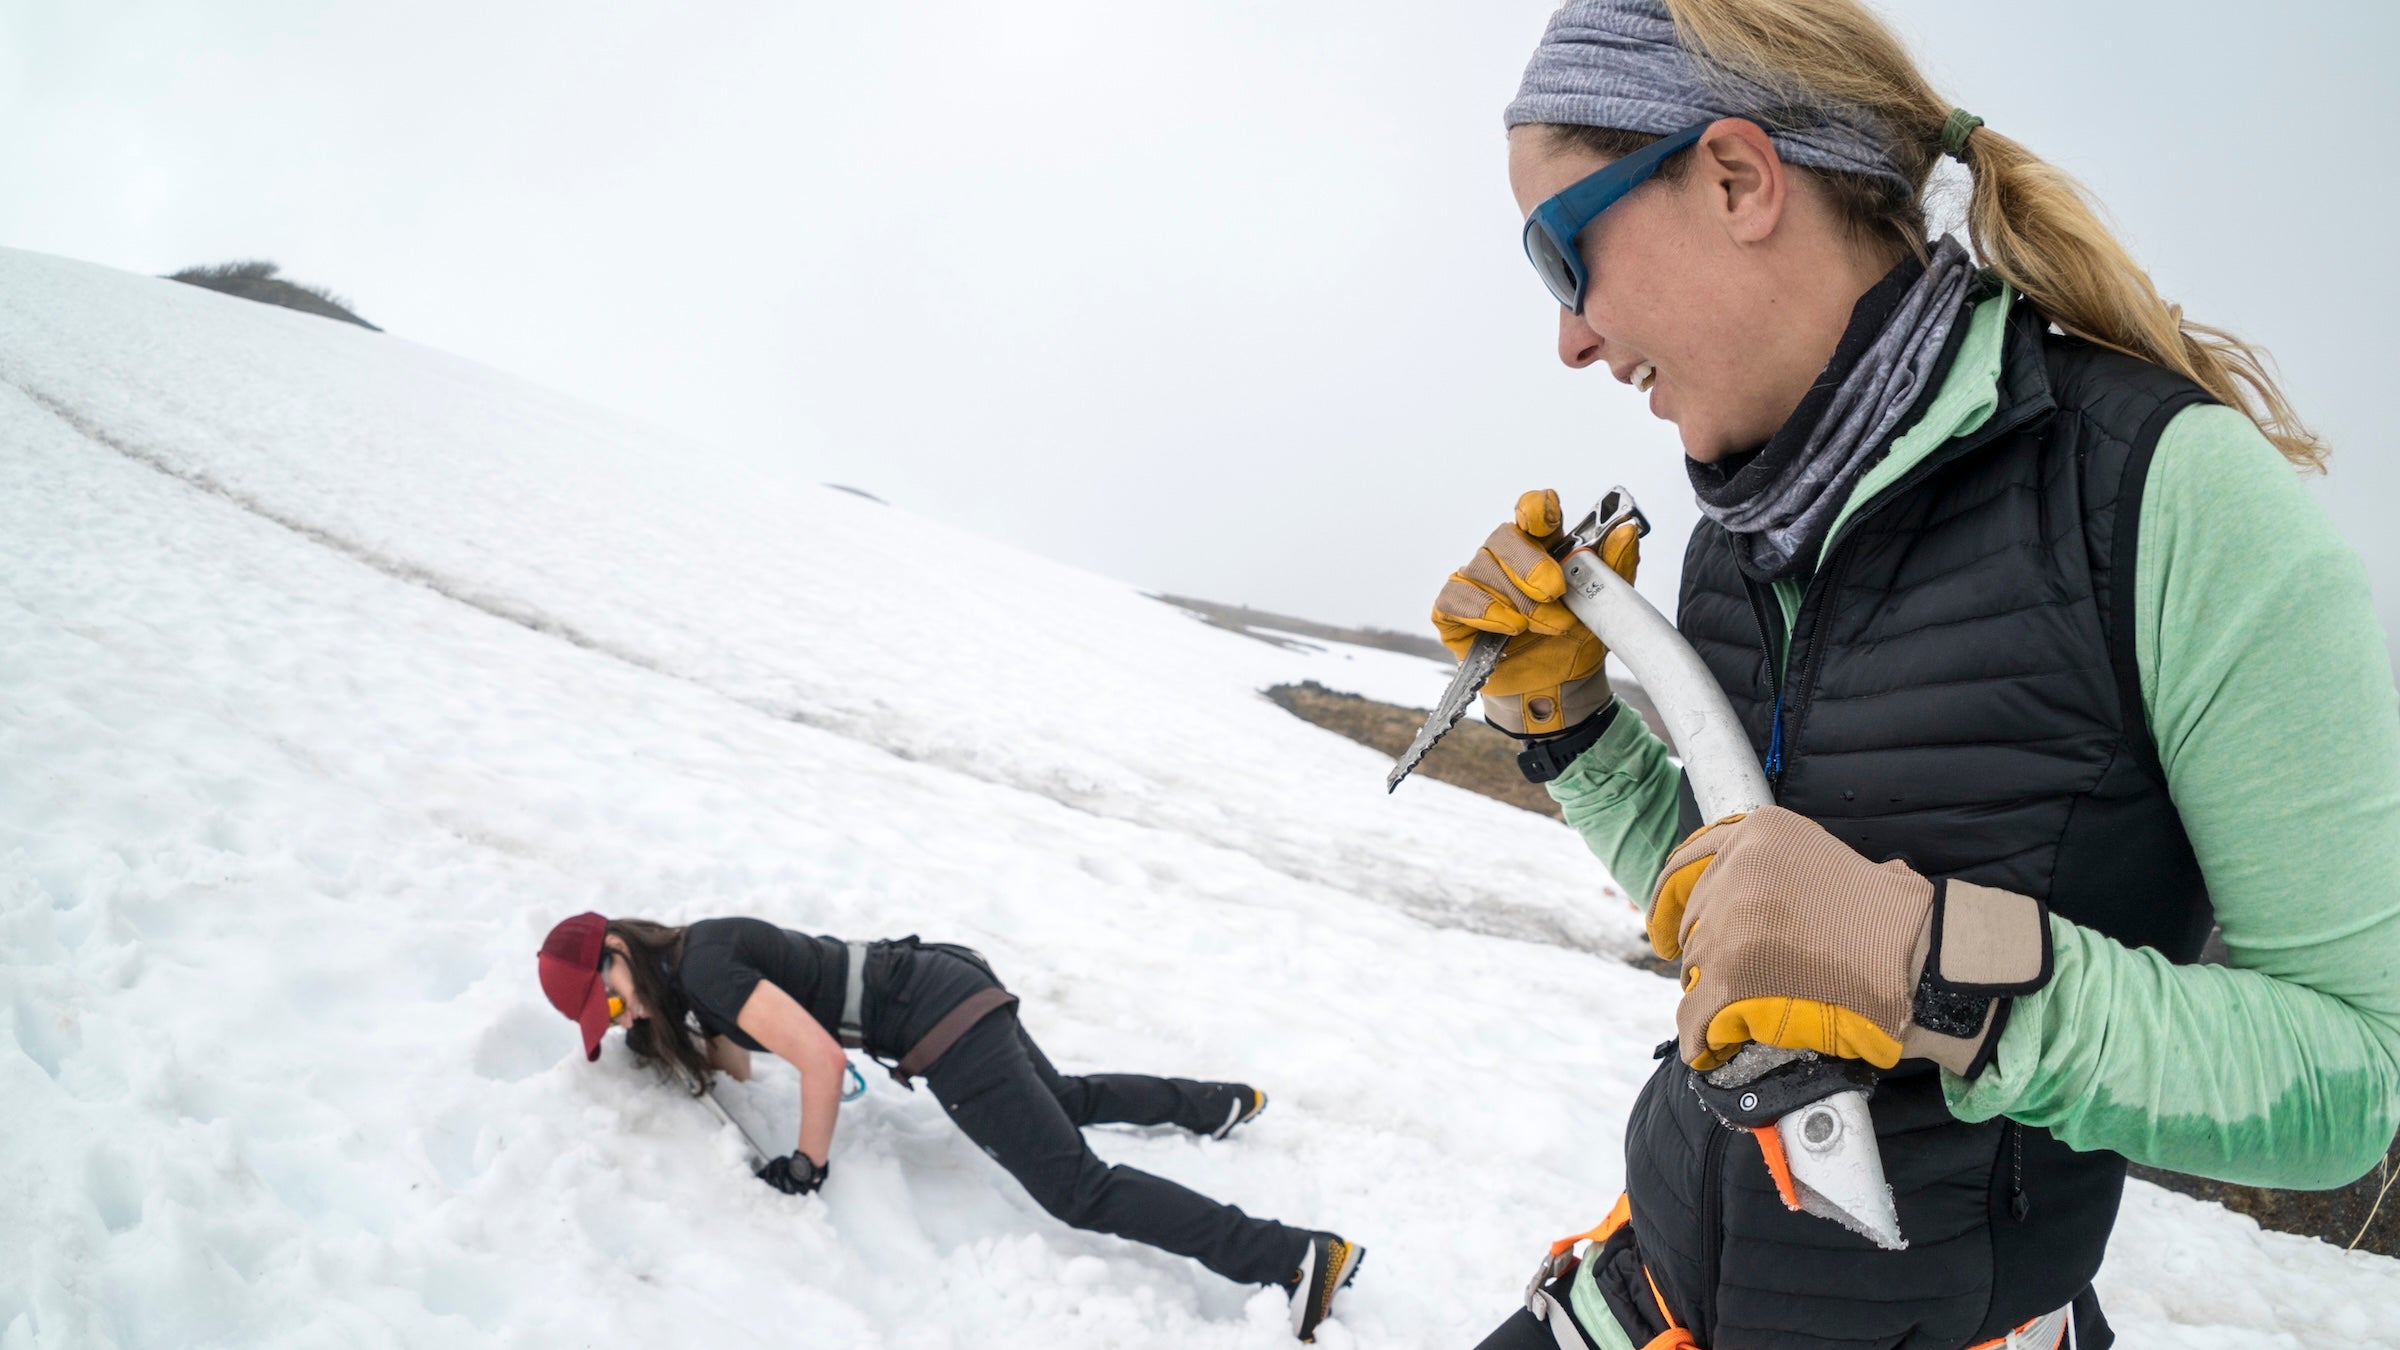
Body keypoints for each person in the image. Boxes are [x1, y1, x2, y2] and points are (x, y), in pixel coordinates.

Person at [1439, 3, 2400, 1348]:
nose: (1573, 338)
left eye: (1563, 256)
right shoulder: (1736, 534)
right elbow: (1745, 901)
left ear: (1734, 178)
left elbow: (2354, 1076)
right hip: (1648, 1289)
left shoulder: (2165, 499)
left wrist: (1929, 966)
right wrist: (1573, 723)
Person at [535, 912, 1363, 1341]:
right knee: (1063, 1102)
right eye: (606, 1021)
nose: (621, 1013)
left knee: (1077, 1190)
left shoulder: (706, 964)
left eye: (611, 996)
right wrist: (666, 1039)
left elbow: (820, 1061)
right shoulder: (692, 970)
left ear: (616, 947)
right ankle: (1217, 1102)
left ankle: (1293, 1255)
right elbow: (752, 1062)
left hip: (940, 1021)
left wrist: (806, 1166)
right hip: (944, 979)